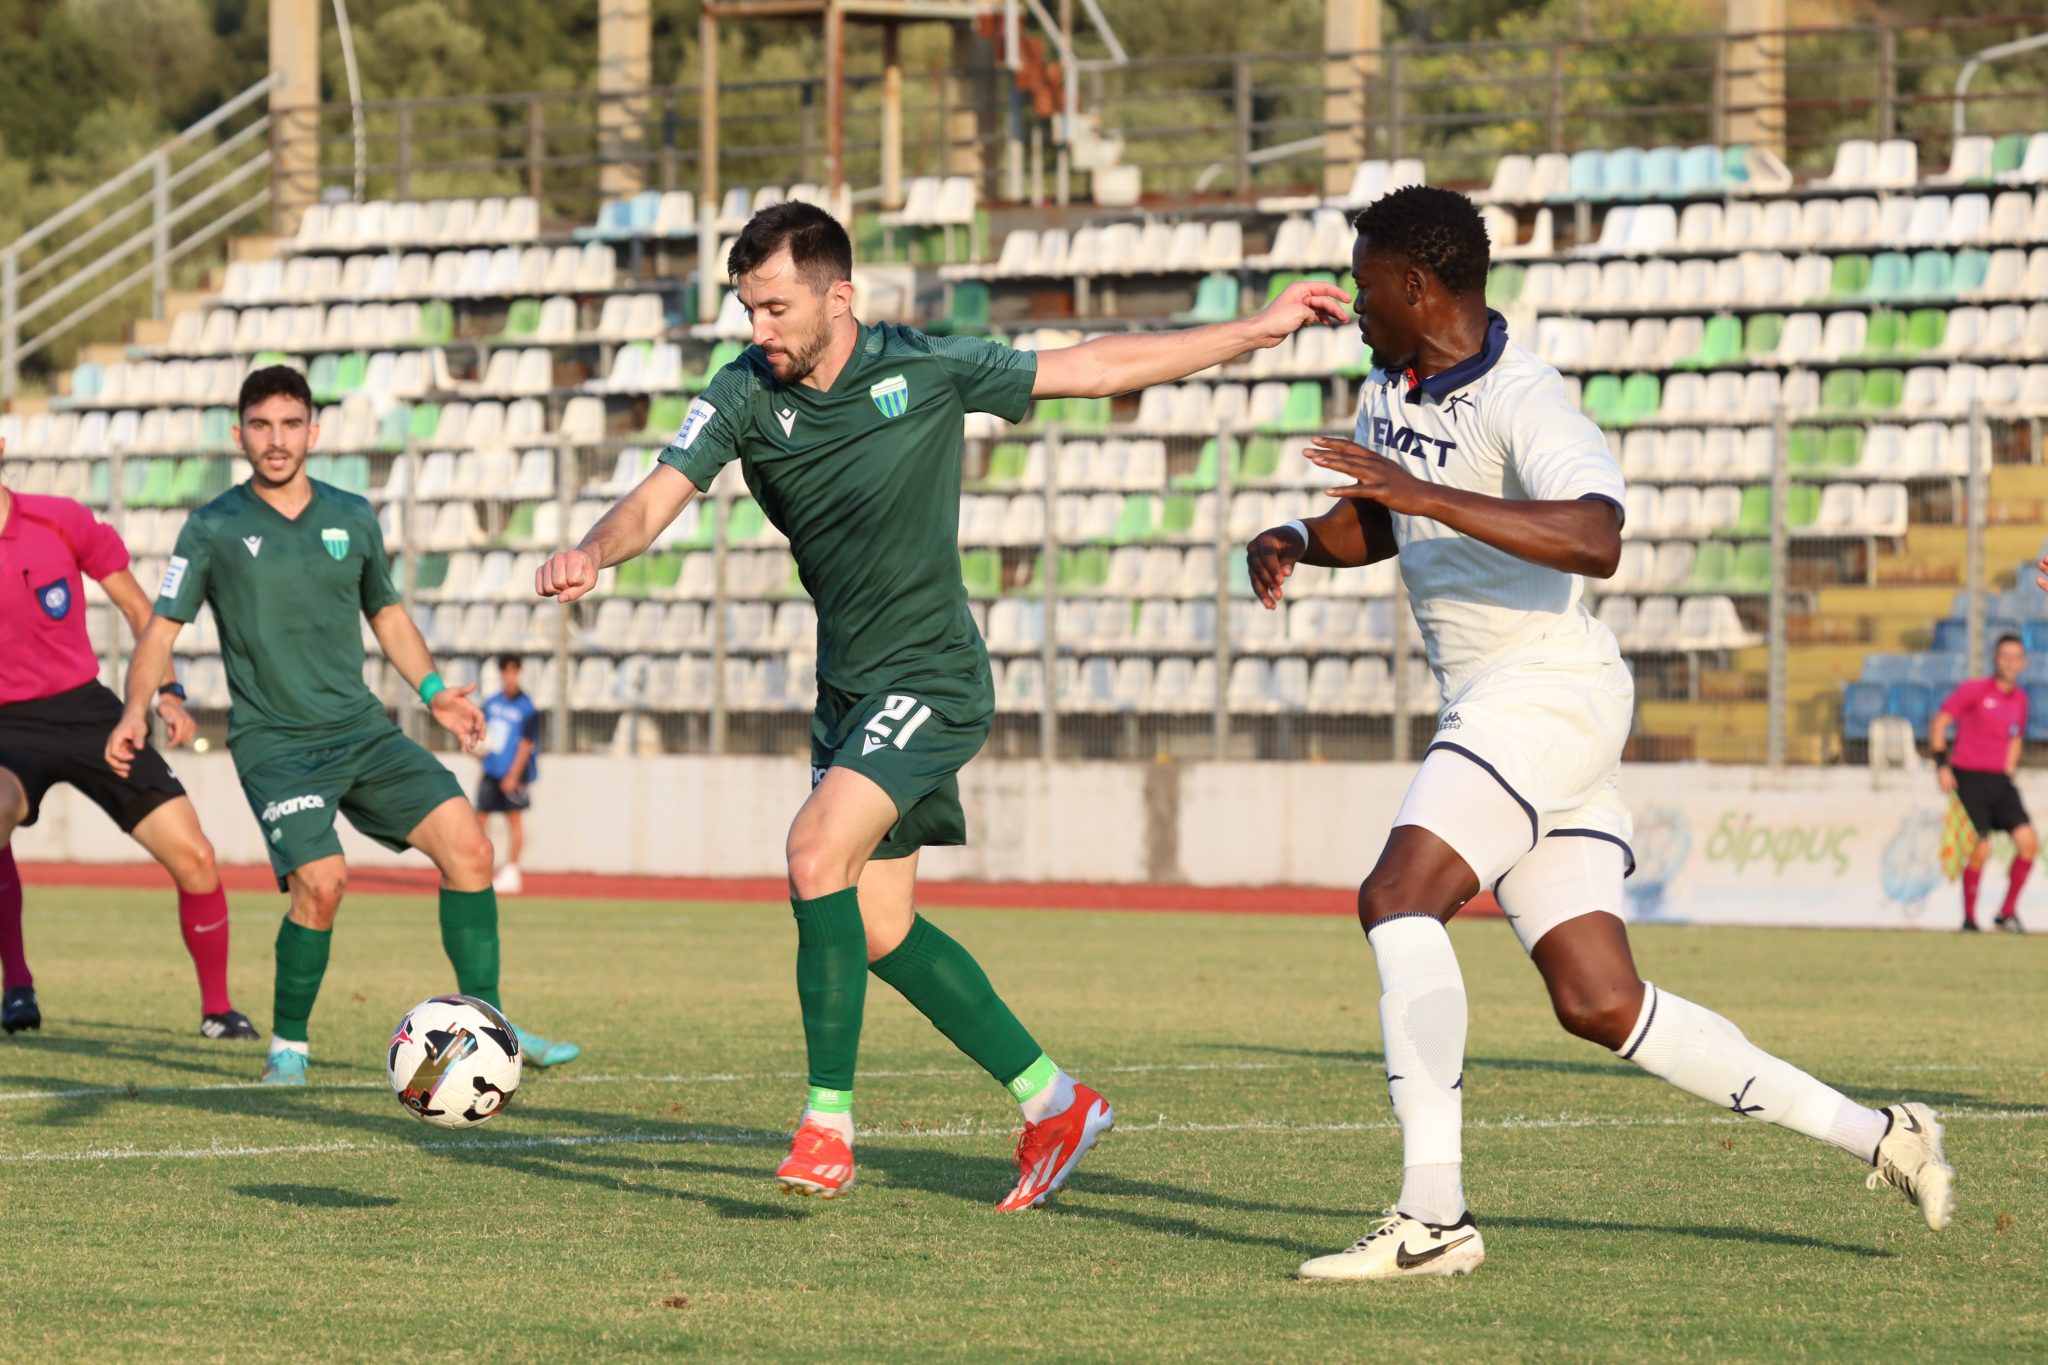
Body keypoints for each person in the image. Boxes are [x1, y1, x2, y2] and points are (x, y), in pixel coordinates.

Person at [538, 202, 1349, 1208]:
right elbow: (658, 494)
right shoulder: (744, 393)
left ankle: (826, 1127)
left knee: (809, 854)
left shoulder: (922, 368)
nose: (758, 330)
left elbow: (1092, 367)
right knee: (876, 926)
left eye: (775, 308)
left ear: (840, 298)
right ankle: (1052, 1100)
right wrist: (592, 551)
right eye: (748, 310)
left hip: (929, 677)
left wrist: (1251, 329)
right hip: (848, 694)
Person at [1244, 186, 1954, 1281]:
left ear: (1417, 283)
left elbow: (1593, 535)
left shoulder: (1528, 398)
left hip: (1539, 692)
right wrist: (1300, 534)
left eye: (1365, 278)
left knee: (1396, 898)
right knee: (1599, 1003)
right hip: (1516, 711)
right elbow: (1383, 516)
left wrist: (1423, 497)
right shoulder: (1393, 384)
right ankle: (1884, 1135)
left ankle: (1431, 1217)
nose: (1354, 298)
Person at [107, 365, 579, 1084]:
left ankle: (489, 1025)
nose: (277, 439)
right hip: (277, 743)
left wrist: (432, 692)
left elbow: (385, 612)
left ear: (314, 432)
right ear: (239, 435)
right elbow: (160, 630)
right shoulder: (212, 527)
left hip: (361, 729)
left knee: (471, 850)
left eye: (291, 424)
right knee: (322, 883)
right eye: (261, 425)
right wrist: (138, 706)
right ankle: (288, 1046)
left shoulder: (352, 514)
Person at [0, 438, 256, 1039]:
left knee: (195, 855)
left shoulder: (59, 520)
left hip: (91, 712)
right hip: (5, 725)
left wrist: (167, 691)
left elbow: (143, 612)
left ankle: (217, 1009)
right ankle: (17, 986)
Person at [1930, 633, 2033, 932]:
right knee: (1980, 849)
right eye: (2005, 656)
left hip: (1999, 780)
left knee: (2028, 844)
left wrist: (2008, 770)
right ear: (1995, 659)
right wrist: (1941, 764)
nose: (2010, 663)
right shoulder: (1974, 690)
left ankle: (2007, 912)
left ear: (2023, 663)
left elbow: (2016, 736)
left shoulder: (2021, 700)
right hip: (1969, 777)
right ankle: (1969, 918)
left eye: (2016, 658)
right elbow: (1940, 722)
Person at [475, 655, 540, 895]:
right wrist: (478, 754)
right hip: (491, 771)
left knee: (514, 822)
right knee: (479, 820)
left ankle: (512, 871)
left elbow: (526, 743)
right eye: (505, 671)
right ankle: (481, 870)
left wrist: (513, 774)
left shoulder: (527, 707)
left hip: (514, 774)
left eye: (513, 671)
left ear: (519, 673)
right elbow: (480, 734)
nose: (508, 676)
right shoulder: (491, 703)